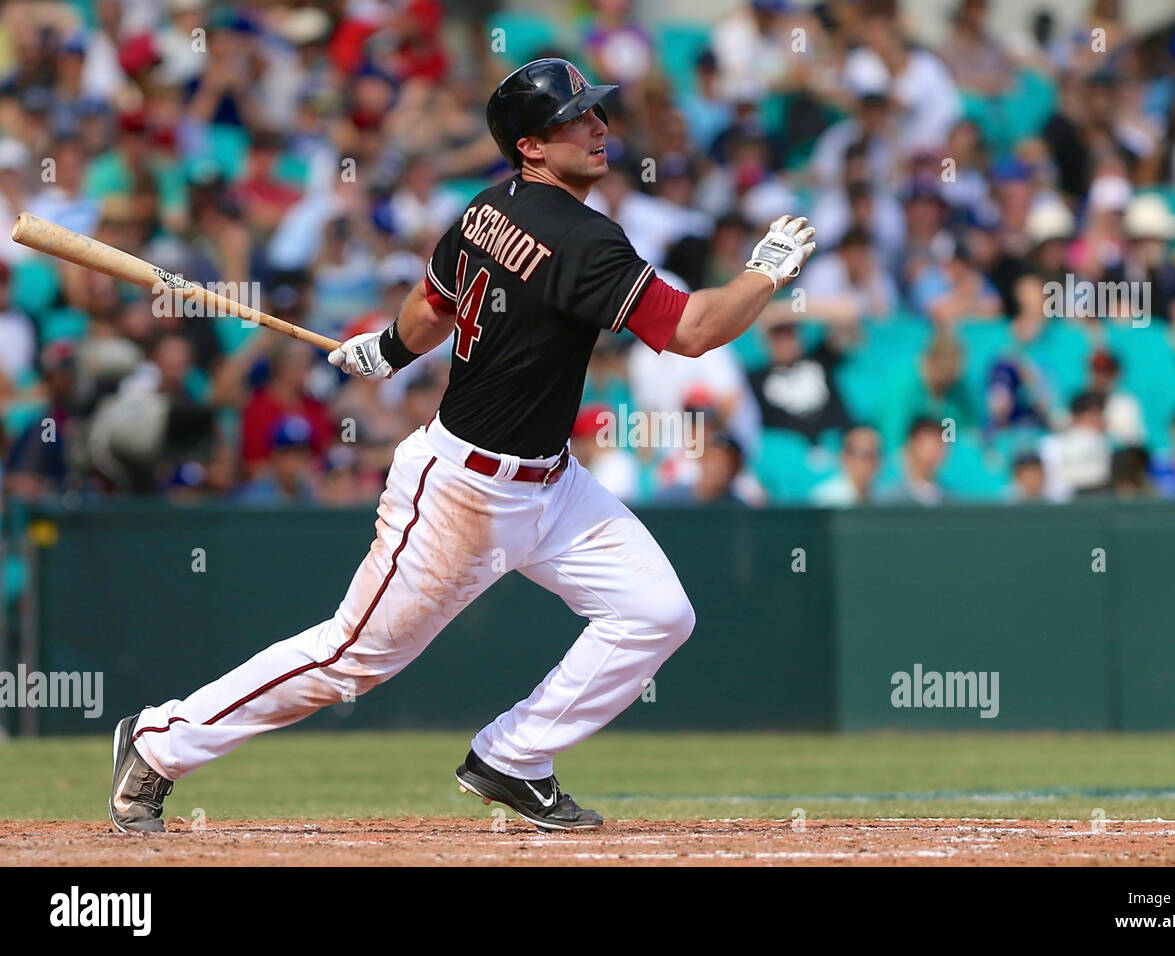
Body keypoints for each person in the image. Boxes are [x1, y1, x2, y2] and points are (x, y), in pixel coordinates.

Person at [109, 58, 816, 834]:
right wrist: (763, 275)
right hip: (462, 491)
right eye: (575, 118)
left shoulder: (488, 207)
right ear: (531, 146)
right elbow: (694, 330)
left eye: (597, 113)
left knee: (655, 612)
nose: (599, 127)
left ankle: (514, 757)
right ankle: (157, 742)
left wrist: (386, 349)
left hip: (552, 484)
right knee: (350, 658)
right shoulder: (581, 236)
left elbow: (431, 304)